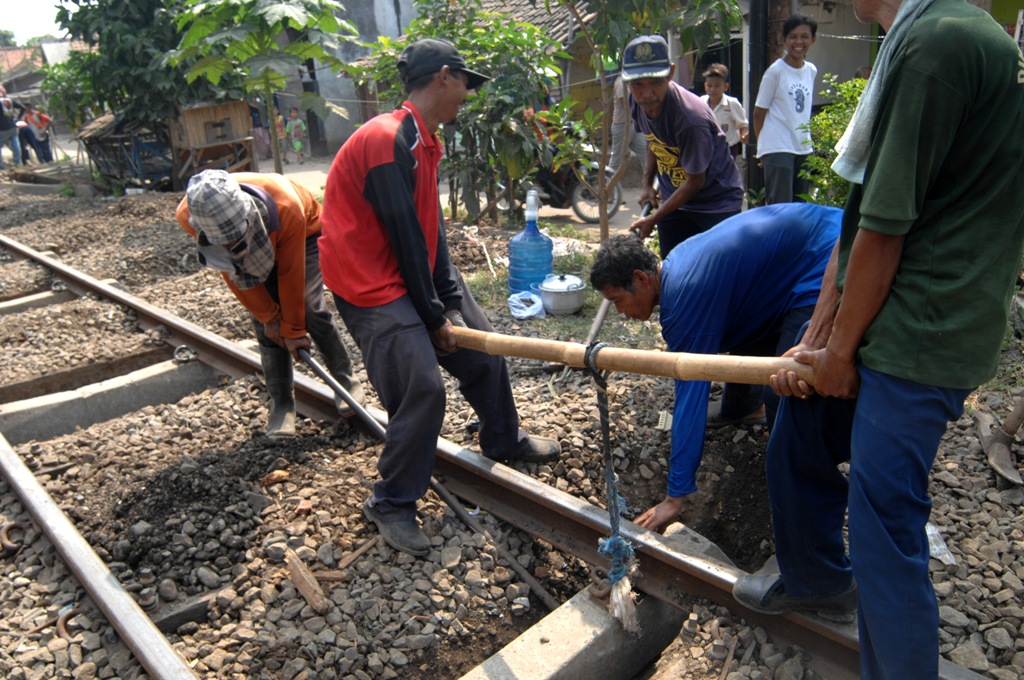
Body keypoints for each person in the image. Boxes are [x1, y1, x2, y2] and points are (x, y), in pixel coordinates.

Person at [732, 1, 1024, 678]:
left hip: (923, 327)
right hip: (896, 312)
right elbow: (859, 217)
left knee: (884, 525)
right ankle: (814, 578)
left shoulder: (937, 46)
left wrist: (839, 353)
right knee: (798, 429)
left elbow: (888, 228)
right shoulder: (919, 38)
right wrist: (812, 343)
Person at [318, 38, 561, 557]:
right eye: (466, 85)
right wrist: (432, 319)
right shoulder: (386, 139)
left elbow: (430, 231)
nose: (468, 96)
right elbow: (405, 238)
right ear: (444, 76)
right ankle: (391, 502)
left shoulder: (424, 139)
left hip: (408, 274)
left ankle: (503, 442)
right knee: (423, 388)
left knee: (484, 351)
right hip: (371, 286)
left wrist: (450, 300)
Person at [589, 203, 841, 533]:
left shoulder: (685, 295)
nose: (621, 311)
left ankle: (806, 506)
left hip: (826, 259)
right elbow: (733, 333)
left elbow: (691, 394)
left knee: (786, 388)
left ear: (641, 277)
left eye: (619, 299)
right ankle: (743, 409)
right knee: (740, 330)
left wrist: (675, 498)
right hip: (810, 244)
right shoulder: (676, 266)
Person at [176, 169, 365, 438]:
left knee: (308, 307)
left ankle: (344, 377)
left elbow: (290, 273)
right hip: (249, 252)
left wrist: (294, 332)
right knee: (265, 323)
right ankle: (282, 404)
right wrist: (270, 319)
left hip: (304, 236)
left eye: (234, 238)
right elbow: (233, 273)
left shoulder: (286, 205)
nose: (230, 243)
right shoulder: (189, 216)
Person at [622, 35, 743, 259]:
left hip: (715, 204)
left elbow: (696, 181)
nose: (646, 94)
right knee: (674, 270)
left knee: (713, 273)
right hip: (675, 200)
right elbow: (653, 140)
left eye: (655, 82)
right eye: (638, 84)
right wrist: (647, 184)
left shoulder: (690, 119)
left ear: (670, 72)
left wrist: (652, 219)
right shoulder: (636, 101)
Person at [752, 14, 817, 205]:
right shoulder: (776, 71)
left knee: (800, 207)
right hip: (778, 147)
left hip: (803, 147)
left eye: (804, 36)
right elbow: (758, 114)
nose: (798, 41)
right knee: (780, 208)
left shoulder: (811, 70)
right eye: (793, 36)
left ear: (813, 39)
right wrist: (763, 149)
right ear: (785, 40)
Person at [608, 73, 646, 176]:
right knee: (616, 161)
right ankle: (607, 186)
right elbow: (628, 101)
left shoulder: (632, 82)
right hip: (622, 126)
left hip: (634, 124)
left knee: (645, 153)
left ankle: (654, 185)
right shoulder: (621, 82)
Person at [0, 86, 25, 169]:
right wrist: (18, 118)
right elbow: (23, 108)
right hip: (12, 126)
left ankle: (1, 165)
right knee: (16, 144)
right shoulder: (10, 101)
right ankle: (17, 162)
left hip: (2, 128)